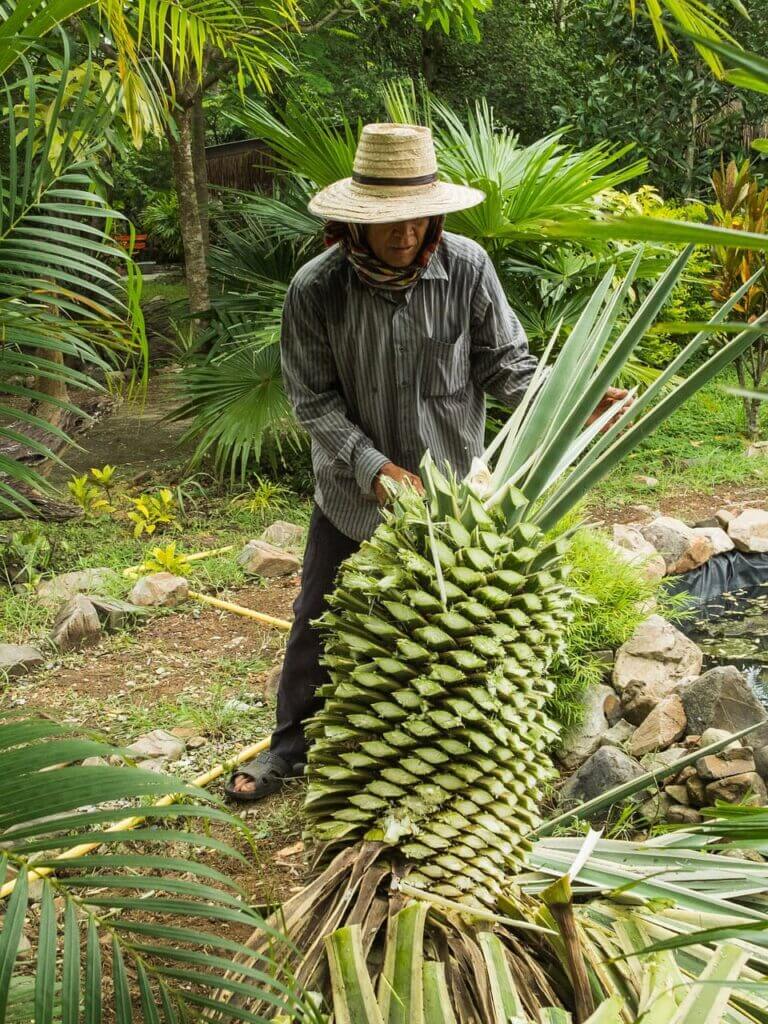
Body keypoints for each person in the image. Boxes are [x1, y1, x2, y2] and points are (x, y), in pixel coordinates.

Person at [225, 122, 626, 801]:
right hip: (353, 497)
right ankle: (288, 752)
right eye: (389, 219)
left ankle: (446, 759)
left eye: (415, 215)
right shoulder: (315, 291)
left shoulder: (466, 268)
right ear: (356, 221)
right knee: (317, 622)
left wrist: (573, 398)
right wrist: (374, 466)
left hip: (453, 498)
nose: (406, 231)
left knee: (452, 628)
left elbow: (507, 367)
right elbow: (313, 402)